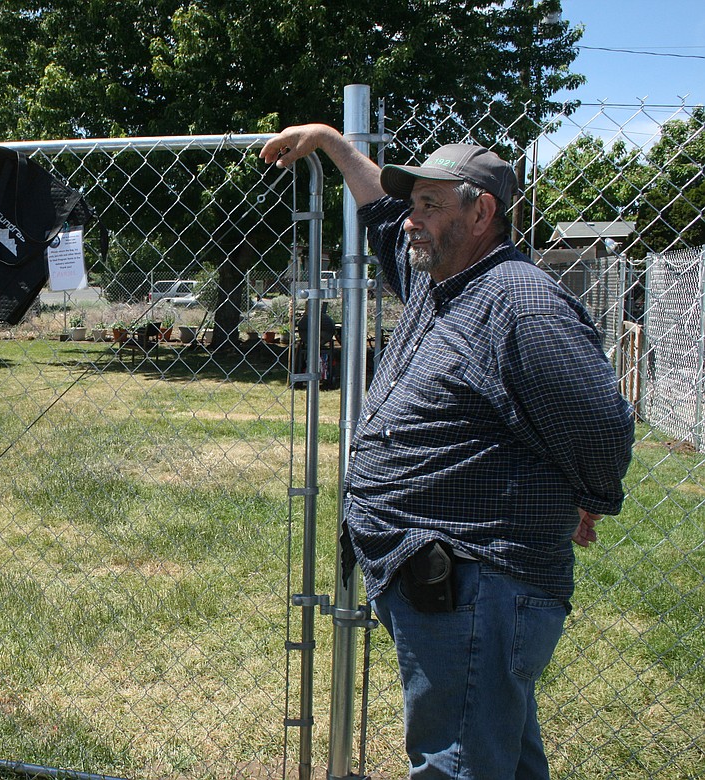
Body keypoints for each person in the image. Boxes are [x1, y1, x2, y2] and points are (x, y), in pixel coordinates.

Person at [262, 125, 634, 778]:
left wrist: (588, 497)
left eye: (430, 205)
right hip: (448, 585)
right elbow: (381, 208)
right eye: (416, 204)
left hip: (476, 586)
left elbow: (600, 422)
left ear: (481, 212)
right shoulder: (444, 278)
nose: (412, 220)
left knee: (456, 766)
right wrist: (332, 144)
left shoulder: (520, 302)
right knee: (497, 757)